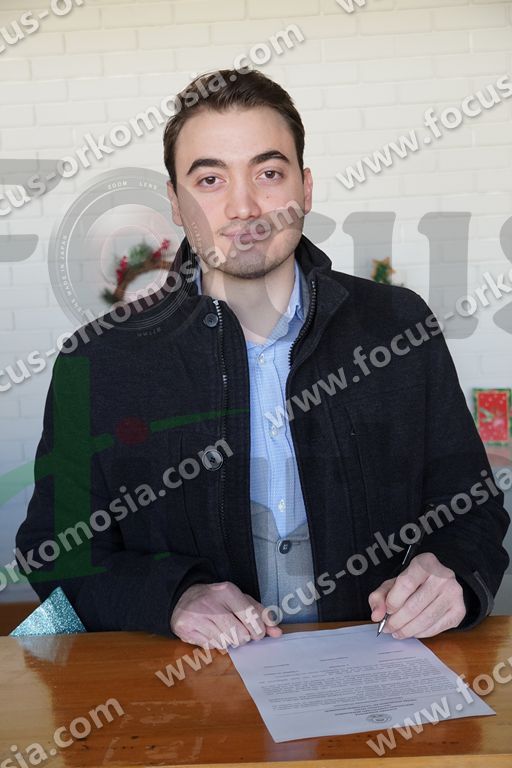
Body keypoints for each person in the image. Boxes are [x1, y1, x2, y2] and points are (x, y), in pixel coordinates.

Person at [16, 69, 510, 650]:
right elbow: (57, 552)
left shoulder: (398, 326)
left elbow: (472, 507)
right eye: (210, 180)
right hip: (188, 692)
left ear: (305, 187)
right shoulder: (98, 361)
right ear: (175, 201)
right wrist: (172, 596)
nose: (244, 206)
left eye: (268, 173)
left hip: (383, 676)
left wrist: (453, 569)